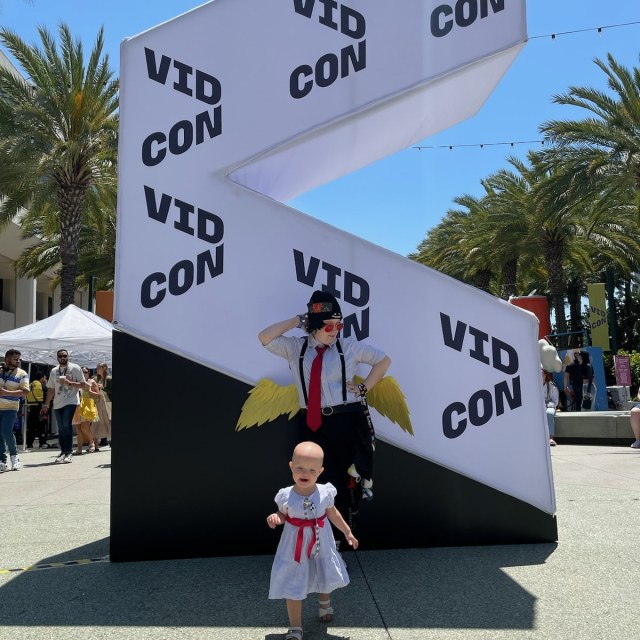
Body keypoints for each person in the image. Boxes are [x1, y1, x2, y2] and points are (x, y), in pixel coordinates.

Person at [259, 290, 391, 525]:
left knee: (342, 483)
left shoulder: (348, 347)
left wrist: (364, 388)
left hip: (346, 419)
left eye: (338, 326)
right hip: (311, 423)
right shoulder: (296, 348)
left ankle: (337, 545)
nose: (335, 331)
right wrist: (296, 321)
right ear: (314, 326)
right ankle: (311, 538)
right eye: (328, 326)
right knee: (310, 480)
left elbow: (383, 360)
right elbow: (265, 338)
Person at [266, 441, 358, 640]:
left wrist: (347, 532)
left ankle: (324, 604)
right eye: (299, 468)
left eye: (311, 469)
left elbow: (333, 514)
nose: (304, 473)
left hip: (320, 541)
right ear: (291, 466)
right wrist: (277, 518)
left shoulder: (324, 492)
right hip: (294, 546)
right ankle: (295, 626)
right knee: (293, 580)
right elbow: (282, 514)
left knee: (322, 573)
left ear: (320, 471)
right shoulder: (286, 495)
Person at [41, 349, 86, 464]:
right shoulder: (54, 371)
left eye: (64, 356)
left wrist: (69, 383)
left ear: (68, 357)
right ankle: (63, 452)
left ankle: (69, 452)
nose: (62, 358)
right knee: (61, 429)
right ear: (57, 358)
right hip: (57, 403)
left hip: (71, 401)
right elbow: (51, 389)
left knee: (66, 425)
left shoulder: (75, 368)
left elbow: (83, 385)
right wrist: (46, 404)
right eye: (60, 356)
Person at [0, 349, 30, 472]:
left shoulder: (22, 373)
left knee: (6, 431)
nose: (18, 361)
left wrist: (8, 392)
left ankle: (14, 456)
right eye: (15, 359)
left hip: (11, 407)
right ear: (7, 359)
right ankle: (2, 461)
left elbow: (25, 392)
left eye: (19, 359)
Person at [73, 368, 100, 455]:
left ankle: (91, 442)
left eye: (85, 372)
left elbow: (97, 395)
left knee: (85, 427)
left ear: (88, 373)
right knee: (78, 428)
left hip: (87, 406)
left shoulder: (91, 381)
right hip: (77, 405)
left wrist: (89, 390)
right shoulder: (76, 382)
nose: (83, 374)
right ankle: (79, 449)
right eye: (82, 372)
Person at [25, 372, 47, 450]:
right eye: (45, 378)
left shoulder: (30, 385)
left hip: (30, 408)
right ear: (41, 378)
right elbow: (46, 396)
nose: (45, 379)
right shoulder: (42, 385)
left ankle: (29, 444)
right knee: (42, 426)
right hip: (40, 408)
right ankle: (43, 443)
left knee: (31, 428)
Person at [93, 362, 112, 449]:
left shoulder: (109, 379)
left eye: (98, 368)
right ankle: (102, 440)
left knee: (109, 421)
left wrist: (102, 387)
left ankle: (110, 440)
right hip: (99, 403)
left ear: (104, 368)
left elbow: (112, 391)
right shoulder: (96, 379)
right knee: (101, 421)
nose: (97, 369)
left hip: (108, 403)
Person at [542, 367, 559, 446]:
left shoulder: (552, 386)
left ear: (545, 375)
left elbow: (555, 401)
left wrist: (546, 405)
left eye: (542, 375)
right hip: (539, 407)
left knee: (549, 413)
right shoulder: (533, 386)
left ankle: (550, 437)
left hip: (549, 406)